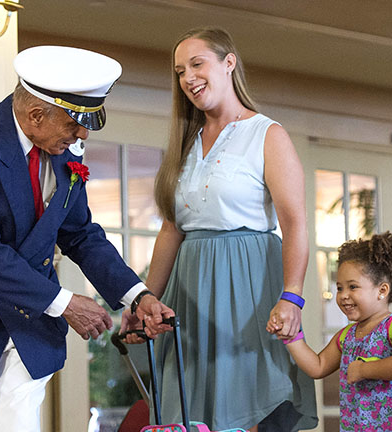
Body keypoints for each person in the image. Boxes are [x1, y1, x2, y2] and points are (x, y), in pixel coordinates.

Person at [0, 45, 174, 432]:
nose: (82, 134)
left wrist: (137, 296)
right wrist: (65, 304)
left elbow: (81, 234)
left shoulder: (64, 150)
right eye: (74, 123)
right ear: (36, 114)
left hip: (30, 322)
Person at [120, 27, 317, 431]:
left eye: (197, 64)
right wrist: (145, 300)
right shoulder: (185, 143)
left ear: (229, 64)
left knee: (247, 402)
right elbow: (172, 230)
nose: (188, 78)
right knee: (186, 409)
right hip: (189, 289)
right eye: (179, 71)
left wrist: (292, 297)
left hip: (249, 289)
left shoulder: (267, 134)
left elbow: (295, 222)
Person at [284, 232, 392, 431]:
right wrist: (291, 337)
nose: (343, 296)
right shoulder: (346, 336)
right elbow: (318, 366)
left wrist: (363, 370)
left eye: (353, 287)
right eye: (340, 288)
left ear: (382, 291)